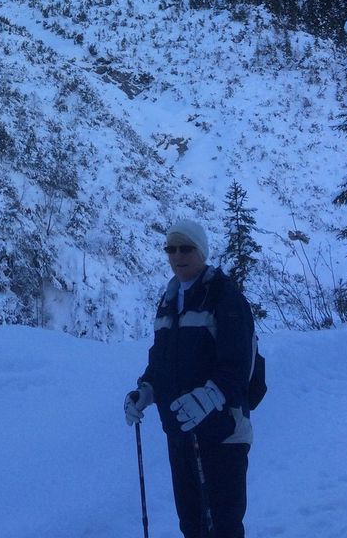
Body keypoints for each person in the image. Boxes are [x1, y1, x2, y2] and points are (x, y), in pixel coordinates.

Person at [124, 218, 255, 538]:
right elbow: (162, 361)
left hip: (223, 433)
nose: (177, 256)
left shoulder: (224, 296)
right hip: (181, 433)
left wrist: (208, 397)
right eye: (170, 249)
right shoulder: (170, 300)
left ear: (201, 251)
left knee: (222, 527)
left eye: (185, 248)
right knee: (192, 525)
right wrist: (145, 391)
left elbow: (239, 364)